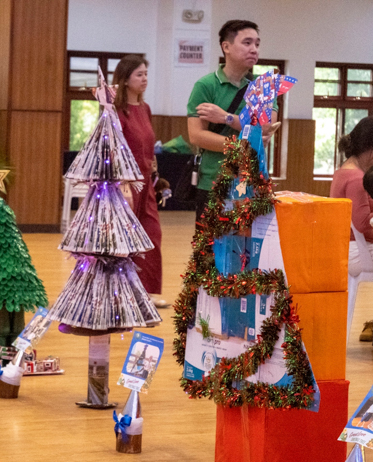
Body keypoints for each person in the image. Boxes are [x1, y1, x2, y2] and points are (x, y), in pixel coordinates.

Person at [187, 20, 277, 222]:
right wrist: (242, 145)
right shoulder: (205, 85)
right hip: (212, 181)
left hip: (252, 181)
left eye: (257, 44)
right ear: (226, 47)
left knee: (248, 251)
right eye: (247, 43)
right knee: (209, 250)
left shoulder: (263, 87)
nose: (254, 49)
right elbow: (197, 135)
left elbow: (265, 127)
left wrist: (226, 118)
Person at [113, 54, 168, 308]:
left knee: (151, 235)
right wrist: (122, 183)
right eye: (139, 74)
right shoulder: (116, 111)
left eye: (146, 74)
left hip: (145, 183)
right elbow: (112, 148)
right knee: (125, 240)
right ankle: (122, 291)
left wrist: (156, 176)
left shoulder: (145, 109)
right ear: (125, 80)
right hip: (125, 184)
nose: (145, 79)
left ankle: (145, 292)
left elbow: (148, 145)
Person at [330, 116, 373, 342]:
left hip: (346, 248)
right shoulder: (357, 178)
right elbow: (364, 225)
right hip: (358, 251)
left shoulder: (343, 171)